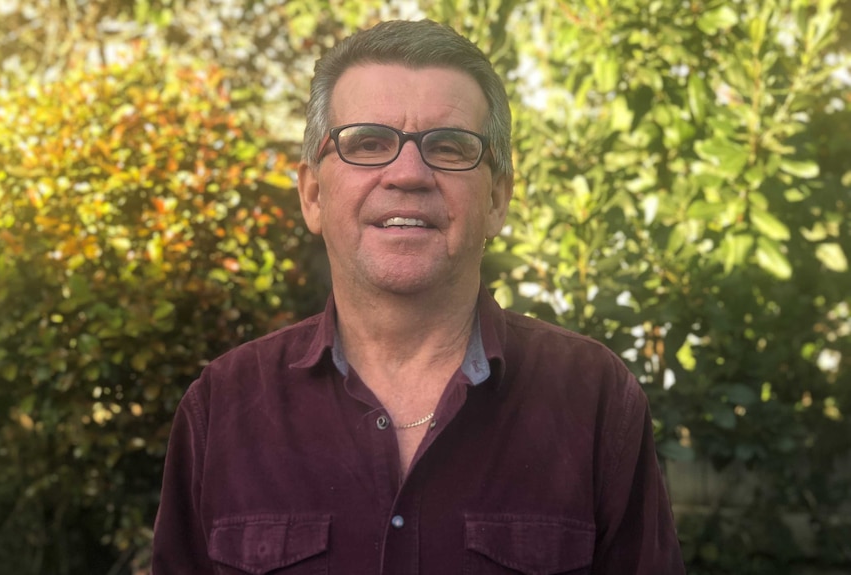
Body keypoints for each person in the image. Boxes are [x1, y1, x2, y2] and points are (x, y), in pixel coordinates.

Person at [152, 19, 686, 574]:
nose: (408, 173)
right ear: (312, 194)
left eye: (449, 147)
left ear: (497, 200)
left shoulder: (595, 400)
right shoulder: (223, 408)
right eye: (368, 143)